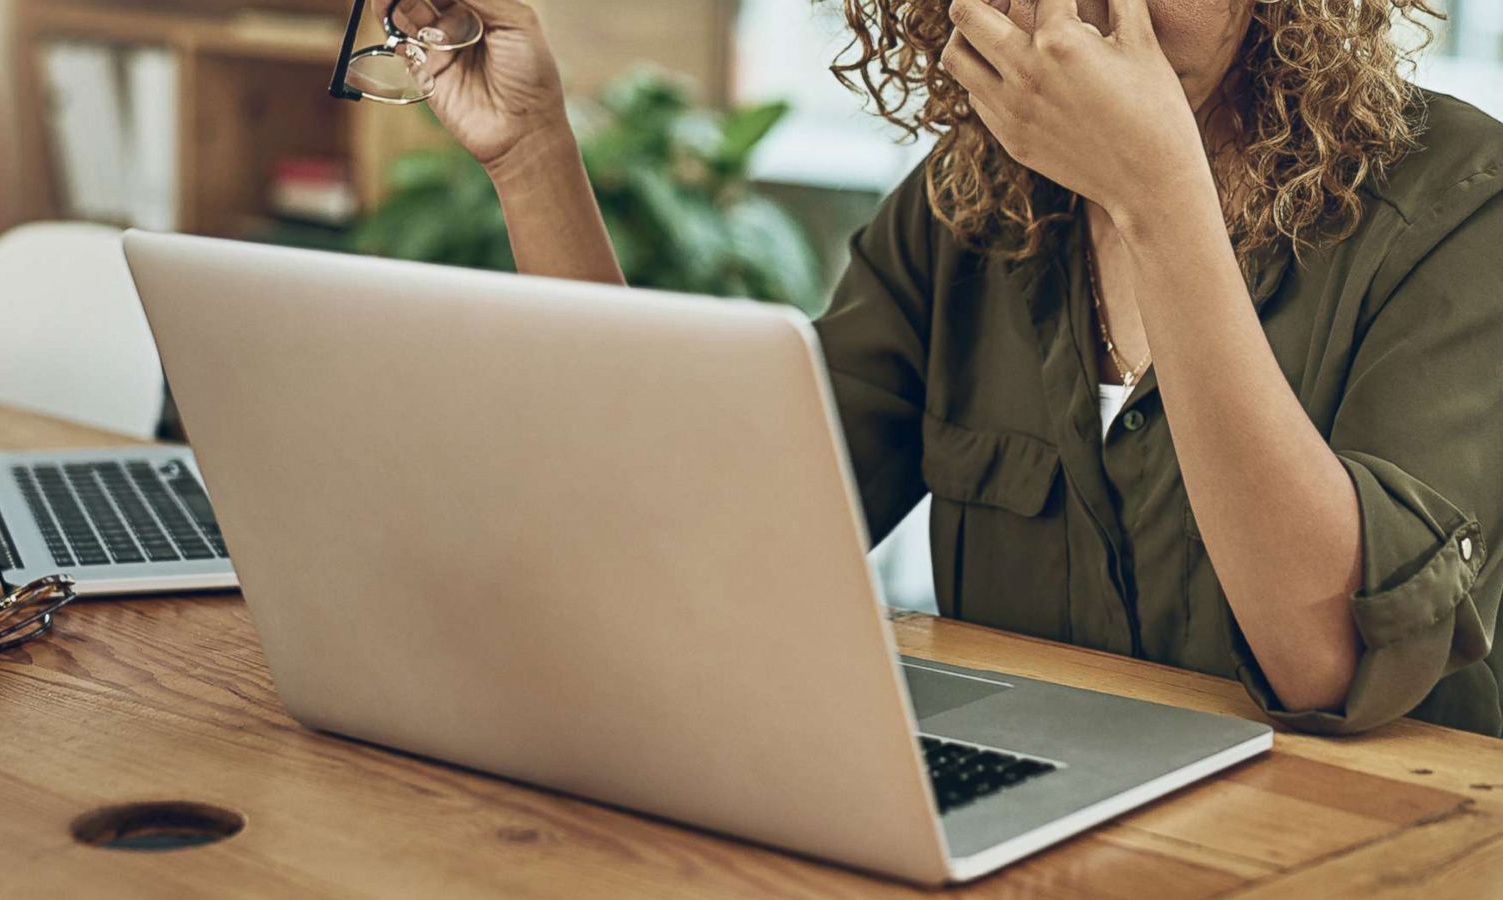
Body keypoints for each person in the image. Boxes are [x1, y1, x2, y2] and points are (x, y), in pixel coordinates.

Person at [380, 0, 1503, 736]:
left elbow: (1326, 659)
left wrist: (1157, 199)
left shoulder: (1464, 203)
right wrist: (534, 155)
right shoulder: (969, 207)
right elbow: (678, 530)